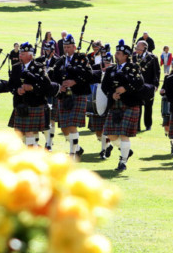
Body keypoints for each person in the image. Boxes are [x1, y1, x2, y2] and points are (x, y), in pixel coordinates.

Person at [101, 40, 145, 171]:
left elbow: (139, 82)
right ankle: (126, 150)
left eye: (119, 53)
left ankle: (123, 162)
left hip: (130, 103)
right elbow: (105, 86)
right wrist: (112, 94)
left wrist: (125, 88)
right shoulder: (111, 69)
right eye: (116, 52)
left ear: (126, 55)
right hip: (115, 104)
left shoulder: (134, 67)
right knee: (111, 135)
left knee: (124, 134)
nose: (116, 55)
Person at [51, 34, 93, 160]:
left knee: (72, 125)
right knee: (64, 128)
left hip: (78, 94)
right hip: (64, 96)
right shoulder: (60, 61)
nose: (67, 49)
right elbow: (53, 77)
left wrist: (75, 82)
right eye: (65, 47)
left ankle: (72, 154)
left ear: (74, 47)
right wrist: (59, 87)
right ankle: (77, 148)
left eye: (69, 47)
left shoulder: (82, 58)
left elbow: (89, 75)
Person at [8, 43, 57, 148]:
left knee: (29, 133)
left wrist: (32, 88)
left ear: (30, 56)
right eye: (20, 53)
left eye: (23, 54)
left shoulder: (38, 67)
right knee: (18, 132)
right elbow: (11, 84)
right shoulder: (16, 67)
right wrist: (17, 90)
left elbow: (46, 85)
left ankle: (33, 153)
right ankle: (38, 150)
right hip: (19, 104)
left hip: (34, 104)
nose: (20, 55)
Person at [135, 40, 160, 132]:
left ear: (144, 47)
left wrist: (156, 85)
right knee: (137, 106)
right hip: (137, 86)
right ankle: (137, 126)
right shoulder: (134, 56)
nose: (136, 48)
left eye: (138, 46)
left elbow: (156, 72)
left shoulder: (152, 57)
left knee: (148, 106)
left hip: (149, 86)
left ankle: (148, 125)